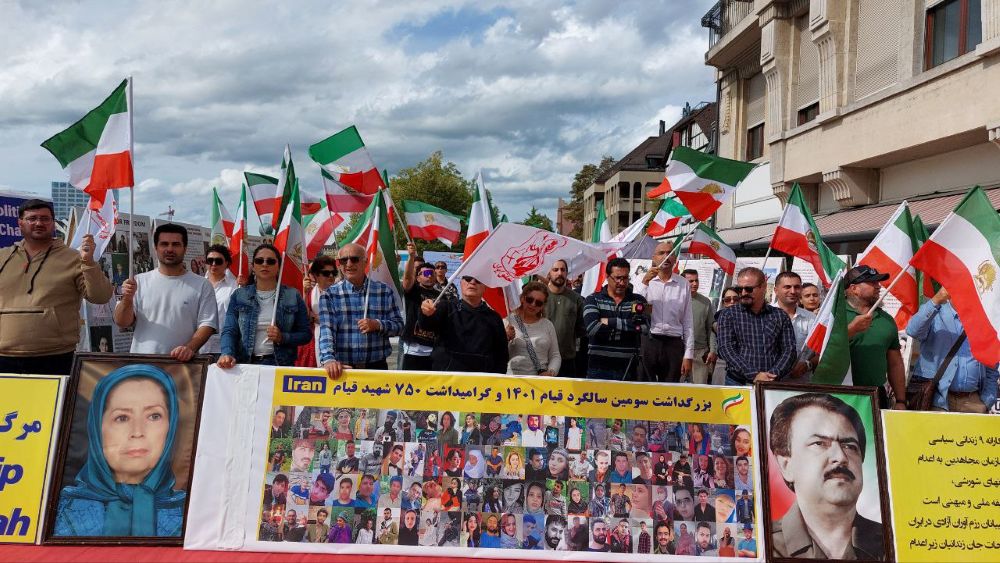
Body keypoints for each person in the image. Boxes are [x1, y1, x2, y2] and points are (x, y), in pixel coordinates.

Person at [53, 365, 186, 536]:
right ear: (97, 428)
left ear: (171, 426)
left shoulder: (193, 512)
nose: (137, 432)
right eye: (122, 418)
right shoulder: (63, 510)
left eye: (154, 416)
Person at [0, 199, 113, 375]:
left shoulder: (74, 258)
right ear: (20, 223)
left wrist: (89, 262)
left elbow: (100, 296)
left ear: (53, 223)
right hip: (3, 357)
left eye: (45, 219)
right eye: (32, 218)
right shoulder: (3, 257)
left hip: (56, 358)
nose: (39, 223)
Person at [769, 392, 884, 559]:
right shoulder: (763, 545)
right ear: (786, 465)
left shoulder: (892, 543)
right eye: (819, 443)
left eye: (850, 446)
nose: (840, 457)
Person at [114, 223, 217, 359]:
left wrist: (190, 348)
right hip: (142, 364)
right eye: (164, 244)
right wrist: (127, 299)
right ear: (156, 247)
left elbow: (207, 324)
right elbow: (122, 322)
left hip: (181, 364)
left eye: (176, 244)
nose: (170, 249)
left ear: (185, 248)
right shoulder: (138, 282)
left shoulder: (202, 285)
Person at [217, 244, 311, 368]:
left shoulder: (293, 295)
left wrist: (282, 337)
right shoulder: (239, 295)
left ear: (279, 267)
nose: (265, 264)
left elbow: (305, 334)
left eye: (270, 261)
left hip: (281, 365)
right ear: (253, 266)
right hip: (246, 364)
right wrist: (227, 353)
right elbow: (229, 330)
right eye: (259, 261)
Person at [906, 287, 998, 413]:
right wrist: (936, 300)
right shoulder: (935, 313)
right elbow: (912, 330)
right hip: (936, 400)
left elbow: (992, 364)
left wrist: (986, 401)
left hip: (973, 403)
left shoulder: (983, 319)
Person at [319, 243, 403, 379]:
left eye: (354, 259)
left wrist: (377, 325)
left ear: (365, 262)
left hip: (377, 369)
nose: (349, 264)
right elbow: (326, 331)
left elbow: (399, 327)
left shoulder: (384, 291)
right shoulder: (330, 295)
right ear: (339, 264)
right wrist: (329, 359)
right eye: (343, 260)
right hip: (343, 370)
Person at [716, 267, 797, 385]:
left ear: (763, 287)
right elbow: (726, 349)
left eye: (749, 289)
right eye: (739, 289)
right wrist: (754, 375)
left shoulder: (779, 316)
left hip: (771, 382)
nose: (743, 293)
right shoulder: (728, 315)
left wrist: (773, 374)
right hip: (738, 382)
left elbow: (789, 350)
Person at [844, 265, 906, 409]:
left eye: (878, 282)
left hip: (876, 395)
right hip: (841, 394)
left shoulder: (887, 320)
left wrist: (901, 400)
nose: (878, 286)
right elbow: (821, 353)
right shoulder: (834, 316)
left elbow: (895, 363)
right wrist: (851, 329)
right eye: (872, 282)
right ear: (854, 288)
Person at [418, 275, 508, 373]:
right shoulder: (446, 307)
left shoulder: (494, 318)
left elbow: (502, 355)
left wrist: (498, 378)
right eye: (468, 279)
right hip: (447, 377)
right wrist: (425, 314)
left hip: (482, 378)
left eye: (478, 280)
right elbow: (426, 326)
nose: (472, 282)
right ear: (461, 283)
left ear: (485, 287)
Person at [635, 241, 693, 382]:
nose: (666, 256)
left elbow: (688, 321)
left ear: (675, 259)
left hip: (673, 344)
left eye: (669, 253)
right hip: (649, 341)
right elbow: (635, 308)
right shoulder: (641, 280)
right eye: (661, 253)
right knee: (643, 386)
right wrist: (645, 283)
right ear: (654, 258)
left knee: (669, 389)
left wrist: (688, 355)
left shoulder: (683, 284)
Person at [583, 257, 649, 380]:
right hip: (598, 367)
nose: (622, 283)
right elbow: (592, 328)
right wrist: (631, 327)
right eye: (618, 278)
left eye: (625, 278)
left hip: (629, 368)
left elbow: (645, 328)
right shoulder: (592, 299)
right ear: (607, 277)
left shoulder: (639, 301)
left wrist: (609, 321)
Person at [506, 281, 561, 375]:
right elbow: (495, 352)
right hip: (512, 379)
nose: (533, 304)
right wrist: (505, 337)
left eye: (538, 303)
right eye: (530, 299)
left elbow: (555, 355)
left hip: (540, 379)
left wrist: (551, 372)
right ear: (523, 298)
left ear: (542, 306)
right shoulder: (508, 321)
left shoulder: (548, 325)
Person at [399, 244, 440, 370]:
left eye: (432, 273)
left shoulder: (441, 295)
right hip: (413, 350)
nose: (429, 275)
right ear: (418, 277)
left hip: (434, 350)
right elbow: (407, 278)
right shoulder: (413, 290)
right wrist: (411, 257)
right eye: (426, 273)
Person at [543, 259, 586, 377]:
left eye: (563, 270)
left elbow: (581, 329)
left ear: (567, 273)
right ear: (549, 273)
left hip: (566, 361)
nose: (559, 273)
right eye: (555, 270)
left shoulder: (576, 299)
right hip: (542, 360)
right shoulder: (539, 296)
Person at [773, 271, 817, 380]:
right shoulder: (764, 316)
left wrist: (807, 365)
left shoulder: (812, 319)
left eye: (797, 287)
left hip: (801, 384)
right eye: (787, 287)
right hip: (771, 382)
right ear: (776, 290)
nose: (792, 291)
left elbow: (822, 351)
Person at [298, 255, 339, 367]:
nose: (331, 276)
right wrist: (305, 293)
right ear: (316, 275)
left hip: (336, 342)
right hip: (311, 344)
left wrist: (324, 319)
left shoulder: (341, 294)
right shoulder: (310, 293)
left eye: (333, 273)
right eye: (326, 273)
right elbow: (303, 318)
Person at [680, 269, 718, 384]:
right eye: (691, 281)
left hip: (700, 354)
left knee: (700, 389)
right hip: (679, 352)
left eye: (696, 280)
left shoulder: (705, 302)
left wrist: (712, 350)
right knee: (676, 389)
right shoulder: (675, 300)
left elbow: (710, 328)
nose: (695, 284)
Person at [202, 244, 239, 357]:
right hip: (200, 346)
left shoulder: (235, 287)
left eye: (218, 261)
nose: (213, 264)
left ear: (226, 263)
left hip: (224, 347)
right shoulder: (197, 284)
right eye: (210, 260)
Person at [711, 286, 741, 384]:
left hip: (742, 365)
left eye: (735, 299)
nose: (732, 302)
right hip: (722, 363)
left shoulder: (749, 317)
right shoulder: (718, 317)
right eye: (728, 299)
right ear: (723, 302)